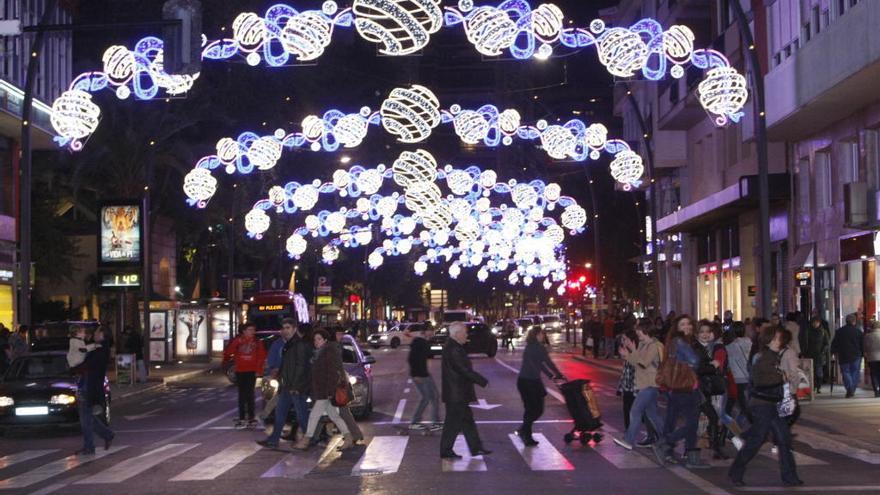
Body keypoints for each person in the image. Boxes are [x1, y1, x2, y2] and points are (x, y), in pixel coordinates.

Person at [728, 326, 803, 487]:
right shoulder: (763, 357)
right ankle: (736, 471)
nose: (778, 342)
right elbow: (759, 381)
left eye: (779, 339)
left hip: (773, 404)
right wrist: (782, 376)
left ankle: (790, 476)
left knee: (783, 438)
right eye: (775, 339)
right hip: (762, 405)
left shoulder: (773, 356)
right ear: (767, 340)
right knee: (758, 440)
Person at [654, 315, 709, 468]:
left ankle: (691, 458)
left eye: (689, 324)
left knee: (674, 420)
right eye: (683, 324)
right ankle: (665, 443)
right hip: (687, 387)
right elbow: (695, 361)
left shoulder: (673, 342)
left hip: (676, 387)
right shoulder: (680, 341)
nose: (687, 327)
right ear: (677, 327)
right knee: (692, 424)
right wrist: (694, 365)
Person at [440, 322, 491, 459]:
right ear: (457, 334)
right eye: (465, 332)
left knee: (467, 421)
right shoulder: (454, 349)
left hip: (457, 393)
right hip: (457, 394)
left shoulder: (454, 346)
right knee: (453, 424)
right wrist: (482, 381)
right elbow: (463, 370)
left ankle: (476, 448)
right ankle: (446, 450)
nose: (467, 335)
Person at [258, 319, 312, 448]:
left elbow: (301, 366)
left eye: (288, 328)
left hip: (296, 386)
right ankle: (274, 439)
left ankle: (309, 438)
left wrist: (297, 385)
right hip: (287, 385)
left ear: (294, 329)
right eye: (283, 328)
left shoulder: (299, 344)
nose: (285, 331)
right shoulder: (289, 344)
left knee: (301, 414)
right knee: (280, 412)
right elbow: (286, 365)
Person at [296, 329, 352, 450]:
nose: (316, 341)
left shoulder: (328, 352)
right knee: (334, 417)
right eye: (315, 339)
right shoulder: (319, 353)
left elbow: (333, 374)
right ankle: (348, 438)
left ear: (325, 340)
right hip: (322, 391)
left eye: (319, 339)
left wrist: (329, 392)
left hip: (325, 392)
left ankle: (306, 439)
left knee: (314, 415)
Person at [694, 321, 741, 460]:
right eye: (702, 332)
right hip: (697, 389)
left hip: (707, 388)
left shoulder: (711, 347)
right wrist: (712, 366)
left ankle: (714, 447)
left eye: (707, 332)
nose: (705, 335)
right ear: (697, 334)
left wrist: (713, 365)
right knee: (710, 417)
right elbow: (697, 368)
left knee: (713, 417)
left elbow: (715, 366)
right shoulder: (697, 348)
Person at [614, 321, 663, 450]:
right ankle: (668, 439)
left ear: (646, 330)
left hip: (651, 384)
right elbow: (637, 362)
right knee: (653, 415)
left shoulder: (654, 345)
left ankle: (629, 440)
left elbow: (643, 363)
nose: (637, 333)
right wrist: (629, 354)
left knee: (635, 411)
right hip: (643, 383)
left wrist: (630, 354)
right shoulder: (642, 344)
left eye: (639, 330)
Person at [516, 326, 564, 446]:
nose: (543, 336)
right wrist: (558, 374)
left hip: (524, 381)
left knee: (531, 409)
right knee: (536, 409)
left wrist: (550, 375)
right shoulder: (538, 348)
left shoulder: (530, 346)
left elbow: (539, 364)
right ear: (537, 335)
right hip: (531, 381)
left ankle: (524, 430)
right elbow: (547, 362)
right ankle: (525, 434)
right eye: (542, 334)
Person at [77, 327, 115, 455]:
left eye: (98, 332)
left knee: (85, 419)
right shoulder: (98, 348)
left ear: (103, 335)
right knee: (87, 417)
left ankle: (89, 446)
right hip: (88, 384)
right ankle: (107, 435)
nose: (95, 334)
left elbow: (89, 365)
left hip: (90, 385)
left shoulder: (100, 349)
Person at [223, 323, 267, 428]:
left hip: (251, 371)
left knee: (250, 394)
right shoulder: (238, 341)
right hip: (240, 370)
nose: (252, 332)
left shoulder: (257, 342)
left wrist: (258, 370)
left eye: (253, 330)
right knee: (242, 395)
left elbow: (261, 356)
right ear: (244, 331)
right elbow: (228, 352)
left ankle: (251, 417)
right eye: (250, 330)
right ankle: (242, 417)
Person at [407, 326, 441, 430]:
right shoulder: (419, 342)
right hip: (420, 374)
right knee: (429, 397)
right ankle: (418, 421)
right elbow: (411, 359)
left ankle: (433, 421)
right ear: (424, 332)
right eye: (430, 331)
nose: (432, 333)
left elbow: (428, 355)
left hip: (424, 373)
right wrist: (416, 374)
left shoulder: (423, 342)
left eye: (433, 331)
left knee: (432, 397)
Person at [725, 321, 752, 424]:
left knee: (735, 403)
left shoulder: (729, 347)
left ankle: (730, 427)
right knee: (743, 403)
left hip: (736, 378)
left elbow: (728, 364)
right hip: (748, 376)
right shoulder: (750, 342)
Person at [831, 313, 864, 398]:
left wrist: (833, 352)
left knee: (845, 372)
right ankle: (851, 388)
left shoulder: (839, 331)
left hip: (843, 355)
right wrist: (863, 353)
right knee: (855, 372)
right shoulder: (858, 332)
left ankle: (849, 388)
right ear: (854, 321)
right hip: (856, 355)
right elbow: (862, 344)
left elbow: (834, 343)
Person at [616, 330, 637, 430]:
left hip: (634, 389)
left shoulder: (635, 353)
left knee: (637, 412)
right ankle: (628, 433)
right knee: (627, 411)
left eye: (625, 339)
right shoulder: (626, 353)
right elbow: (625, 373)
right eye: (622, 339)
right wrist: (620, 388)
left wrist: (627, 356)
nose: (622, 341)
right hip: (626, 388)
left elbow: (637, 368)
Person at [804, 316, 830, 394]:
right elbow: (805, 343)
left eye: (817, 322)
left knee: (819, 372)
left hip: (819, 356)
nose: (815, 324)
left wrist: (823, 352)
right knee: (811, 372)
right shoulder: (808, 331)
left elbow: (827, 343)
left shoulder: (823, 332)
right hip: (810, 355)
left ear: (819, 323)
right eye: (814, 322)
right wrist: (804, 353)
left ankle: (818, 386)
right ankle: (813, 387)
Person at [864, 321, 880, 398]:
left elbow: (865, 347)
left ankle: (876, 390)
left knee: (874, 374)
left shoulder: (867, 336)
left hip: (872, 358)